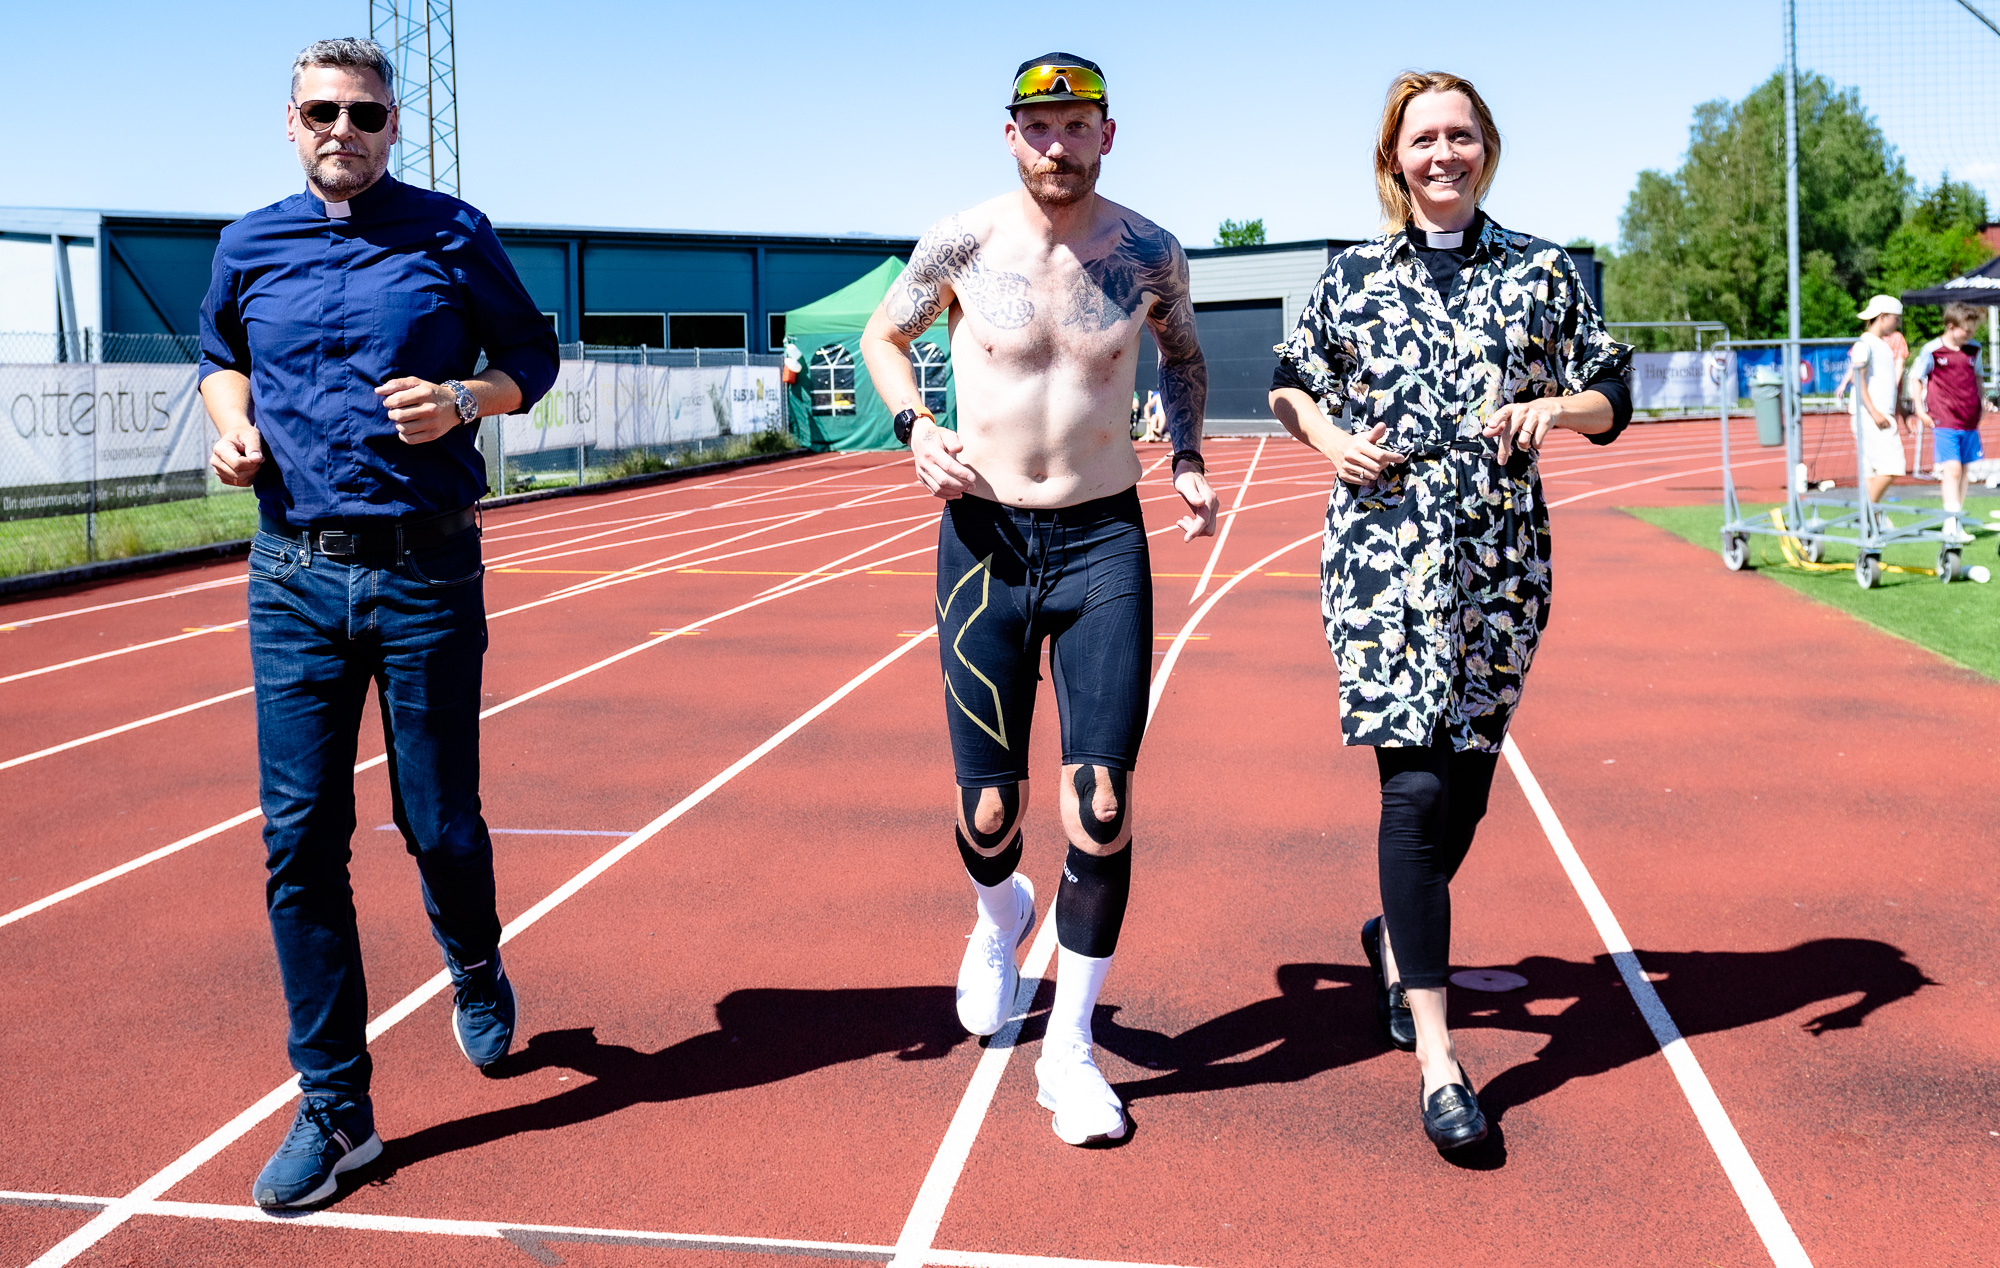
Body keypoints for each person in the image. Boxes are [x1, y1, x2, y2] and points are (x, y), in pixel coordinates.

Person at [198, 37, 558, 1208]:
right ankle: (337, 1109)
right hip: (290, 574)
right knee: (298, 841)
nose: (340, 130)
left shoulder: (453, 231)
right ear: (289, 121)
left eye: (363, 113)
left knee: (437, 820)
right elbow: (218, 357)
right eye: (320, 112)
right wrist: (229, 426)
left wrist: (462, 398)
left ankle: (472, 954)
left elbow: (531, 358)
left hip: (426, 573)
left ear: (393, 125)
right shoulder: (247, 244)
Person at [858, 53, 1219, 1147]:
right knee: (989, 814)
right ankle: (1000, 913)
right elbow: (884, 335)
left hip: (1103, 537)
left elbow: (1184, 358)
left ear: (1108, 133)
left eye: (1075, 125)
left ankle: (1067, 1050)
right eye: (1037, 126)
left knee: (1100, 803)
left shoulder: (1150, 249)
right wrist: (915, 429)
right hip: (982, 540)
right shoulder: (960, 241)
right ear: (1008, 135)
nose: (1056, 144)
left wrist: (1189, 453)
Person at [1267, 71, 1632, 1152]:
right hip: (1381, 560)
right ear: (1393, 158)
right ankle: (1437, 1056)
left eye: (1458, 135)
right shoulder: (1347, 277)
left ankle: (1394, 929)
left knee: (1464, 786)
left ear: (1484, 149)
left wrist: (1551, 407)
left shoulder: (1540, 270)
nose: (1441, 153)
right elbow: (1292, 379)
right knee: (1412, 787)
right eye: (1421, 138)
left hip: (1498, 567)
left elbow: (1613, 394)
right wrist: (1326, 438)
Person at [1910, 302, 1987, 542]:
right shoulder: (1933, 350)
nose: (1970, 335)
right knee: (1951, 469)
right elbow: (1915, 377)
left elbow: (1978, 378)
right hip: (1944, 419)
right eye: (1967, 330)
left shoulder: (1974, 349)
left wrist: (1981, 403)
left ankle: (1957, 518)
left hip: (1969, 420)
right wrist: (1919, 410)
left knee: (1964, 471)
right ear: (1951, 327)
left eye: (1973, 330)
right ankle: (1950, 522)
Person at [1850, 296, 1908, 505]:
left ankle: (1871, 524)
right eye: (1896, 318)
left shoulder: (1879, 344)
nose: (1898, 323)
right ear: (1882, 317)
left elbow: (1888, 385)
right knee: (1893, 466)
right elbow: (1858, 379)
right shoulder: (1865, 343)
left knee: (1871, 472)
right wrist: (1875, 412)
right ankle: (1867, 512)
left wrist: (1900, 410)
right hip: (1872, 415)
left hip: (1877, 412)